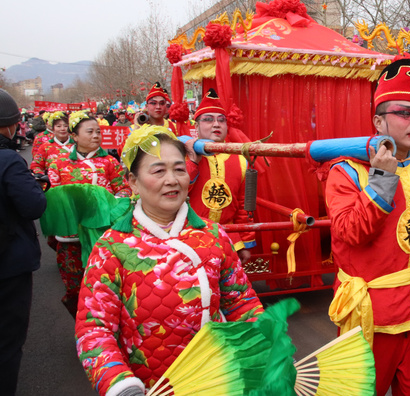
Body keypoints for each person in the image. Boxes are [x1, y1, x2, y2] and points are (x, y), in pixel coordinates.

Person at [75, 126, 264, 396]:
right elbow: (94, 328)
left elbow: (241, 302)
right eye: (158, 170)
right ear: (133, 181)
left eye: (179, 169)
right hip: (151, 386)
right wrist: (120, 384)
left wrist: (268, 345)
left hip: (218, 378)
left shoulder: (213, 235)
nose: (172, 179)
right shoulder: (111, 248)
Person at [326, 57, 410, 396]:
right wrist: (381, 179)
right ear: (379, 121)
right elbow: (350, 233)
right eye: (404, 113)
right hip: (372, 313)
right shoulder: (345, 172)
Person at [47, 110, 131, 316]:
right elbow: (55, 197)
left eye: (98, 132)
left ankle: (105, 324)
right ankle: (82, 322)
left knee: (108, 284)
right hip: (71, 238)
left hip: (104, 236)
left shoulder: (110, 162)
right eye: (90, 132)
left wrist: (112, 203)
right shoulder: (59, 164)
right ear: (74, 136)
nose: (96, 136)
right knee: (74, 287)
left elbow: (123, 189)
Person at [0, 89, 47, 396]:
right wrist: (36, 186)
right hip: (8, 265)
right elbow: (33, 206)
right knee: (6, 343)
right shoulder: (8, 160)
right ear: (9, 125)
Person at [184, 89, 256, 264]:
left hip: (228, 239)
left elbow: (243, 206)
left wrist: (244, 243)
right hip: (188, 237)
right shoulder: (183, 156)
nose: (216, 125)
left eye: (221, 120)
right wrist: (193, 161)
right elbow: (178, 191)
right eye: (208, 119)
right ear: (196, 126)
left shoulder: (240, 159)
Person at [30, 111, 73, 176]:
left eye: (66, 126)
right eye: (58, 126)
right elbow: (36, 165)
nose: (62, 129)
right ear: (53, 129)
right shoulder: (45, 147)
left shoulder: (78, 144)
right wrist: (42, 176)